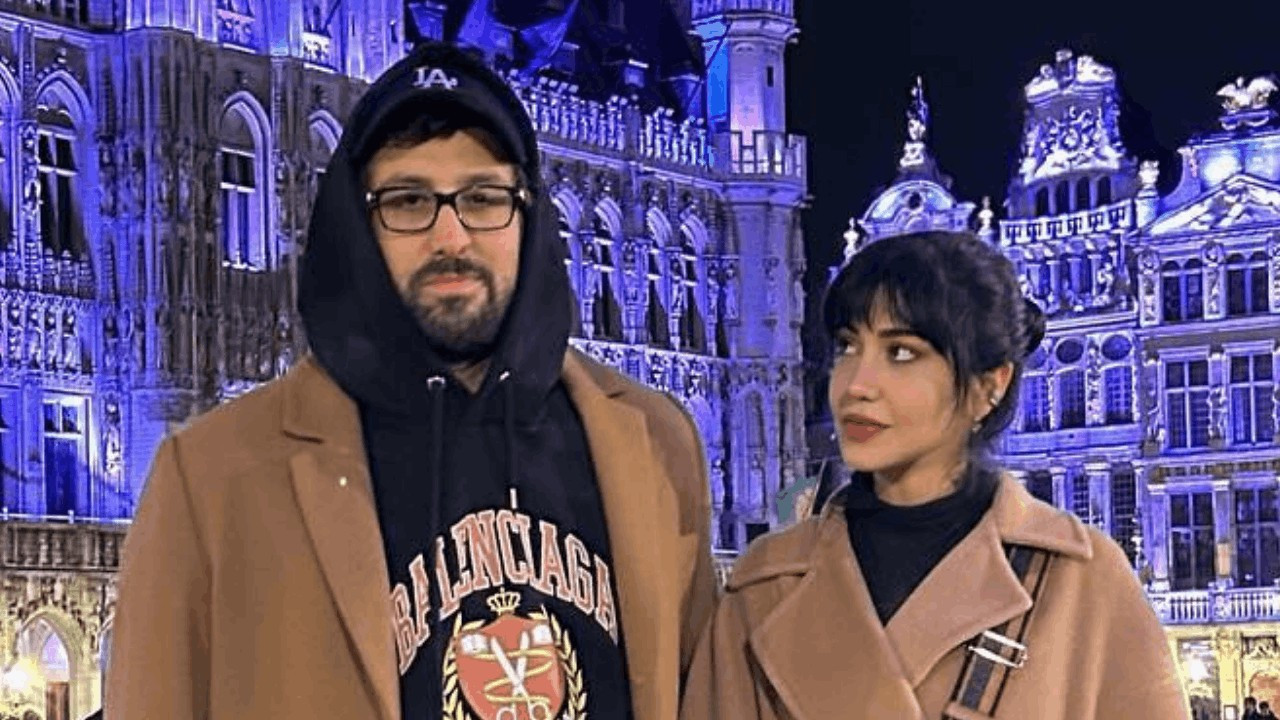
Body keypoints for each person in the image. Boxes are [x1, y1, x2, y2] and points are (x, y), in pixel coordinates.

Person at [106, 41, 717, 720]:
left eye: (483, 198)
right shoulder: (211, 478)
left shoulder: (657, 446)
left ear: (530, 214)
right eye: (407, 201)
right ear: (355, 224)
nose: (450, 236)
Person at [680, 230, 1189, 719]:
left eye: (901, 352)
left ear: (989, 386)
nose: (857, 384)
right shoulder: (765, 585)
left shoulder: (1083, 584)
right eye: (848, 347)